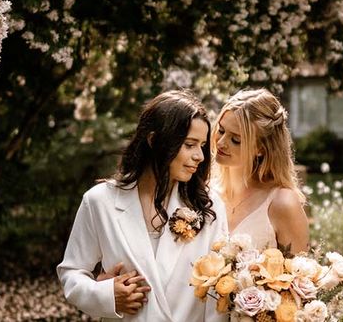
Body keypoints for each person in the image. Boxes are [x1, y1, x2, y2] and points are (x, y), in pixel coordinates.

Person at [57, 90, 228, 321]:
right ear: (154, 141)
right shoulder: (99, 201)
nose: (199, 156)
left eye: (202, 146)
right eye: (189, 145)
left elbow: (217, 293)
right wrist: (107, 295)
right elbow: (72, 273)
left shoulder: (209, 207)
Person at [212, 88, 310, 253]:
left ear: (260, 149)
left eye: (236, 140)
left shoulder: (282, 203)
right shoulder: (206, 192)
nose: (221, 142)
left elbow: (300, 277)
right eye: (221, 130)